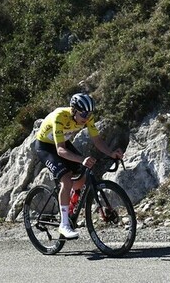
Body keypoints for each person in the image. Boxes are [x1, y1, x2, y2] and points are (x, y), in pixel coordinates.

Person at [33, 93, 123, 239]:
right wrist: (81, 159)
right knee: (66, 180)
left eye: (90, 114)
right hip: (45, 147)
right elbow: (60, 150)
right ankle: (64, 224)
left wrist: (111, 153)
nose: (87, 118)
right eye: (84, 114)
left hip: (62, 142)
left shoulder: (87, 117)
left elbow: (97, 140)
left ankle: (69, 211)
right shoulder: (59, 116)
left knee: (82, 178)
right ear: (74, 110)